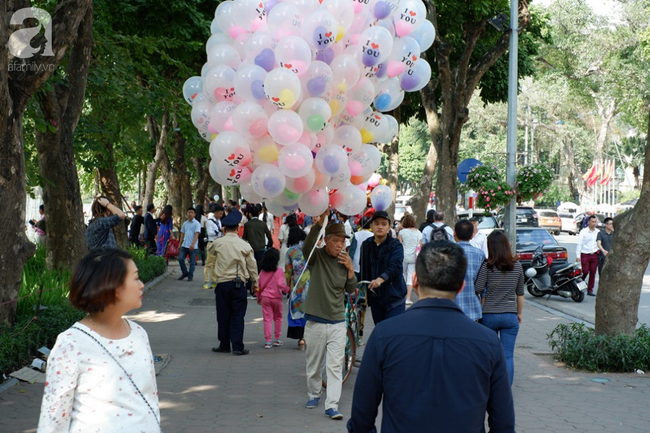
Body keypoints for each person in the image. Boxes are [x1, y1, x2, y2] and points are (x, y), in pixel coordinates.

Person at [346, 241, 514, 433]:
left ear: (415, 281)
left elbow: (361, 418)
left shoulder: (384, 335)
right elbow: (504, 424)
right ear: (460, 287)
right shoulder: (488, 342)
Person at [37, 249, 160, 432]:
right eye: (135, 278)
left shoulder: (139, 333)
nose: (141, 285)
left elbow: (150, 398)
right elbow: (53, 421)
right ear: (114, 287)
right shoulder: (70, 344)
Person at [302, 209, 357, 420]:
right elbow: (307, 246)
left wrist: (351, 270)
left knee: (334, 365)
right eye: (336, 241)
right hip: (316, 320)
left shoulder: (345, 261)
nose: (340, 245)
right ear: (327, 240)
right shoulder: (316, 257)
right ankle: (314, 393)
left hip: (337, 321)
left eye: (343, 241)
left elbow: (351, 289)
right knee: (314, 364)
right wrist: (320, 221)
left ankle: (332, 405)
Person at [475, 230, 524, 385]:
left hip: (488, 315)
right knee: (507, 355)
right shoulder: (517, 266)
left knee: (488, 354)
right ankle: (505, 389)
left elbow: (478, 288)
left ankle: (487, 385)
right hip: (510, 315)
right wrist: (519, 313)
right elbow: (520, 294)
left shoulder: (487, 266)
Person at [211, 209, 259, 356]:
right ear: (238, 228)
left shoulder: (218, 243)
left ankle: (224, 344)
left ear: (224, 228)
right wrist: (255, 284)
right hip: (239, 285)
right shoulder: (244, 245)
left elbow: (211, 252)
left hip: (222, 284)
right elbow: (252, 266)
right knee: (238, 315)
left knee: (223, 315)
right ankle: (237, 347)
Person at [359, 211, 407, 325]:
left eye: (384, 224)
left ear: (389, 227)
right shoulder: (366, 245)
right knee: (380, 333)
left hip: (395, 298)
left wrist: (381, 279)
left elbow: (395, 267)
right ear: (371, 226)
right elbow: (364, 269)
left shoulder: (395, 245)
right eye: (376, 223)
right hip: (376, 299)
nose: (380, 227)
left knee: (392, 335)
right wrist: (360, 288)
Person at [256, 248, 290, 349]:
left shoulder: (262, 272)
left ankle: (267, 341)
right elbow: (280, 284)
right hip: (277, 298)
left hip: (265, 298)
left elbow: (259, 286)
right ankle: (277, 339)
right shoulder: (279, 271)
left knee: (267, 319)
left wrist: (259, 297)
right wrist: (288, 289)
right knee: (278, 318)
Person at [453, 219, 486, 322]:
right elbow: (482, 287)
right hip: (473, 310)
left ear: (454, 233)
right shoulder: (480, 255)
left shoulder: (445, 253)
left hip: (450, 309)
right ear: (472, 235)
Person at [285, 226, 309, 348]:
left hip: (297, 286)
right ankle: (308, 336)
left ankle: (301, 338)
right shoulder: (309, 248)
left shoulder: (290, 252)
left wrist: (287, 286)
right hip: (311, 284)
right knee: (309, 310)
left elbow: (288, 271)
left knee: (297, 310)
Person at [396, 214, 421, 305]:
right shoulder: (418, 232)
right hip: (414, 257)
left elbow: (399, 245)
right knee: (410, 276)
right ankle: (408, 298)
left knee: (402, 274)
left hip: (403, 256)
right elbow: (420, 246)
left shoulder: (402, 232)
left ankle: (401, 295)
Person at [242, 203, 274, 270]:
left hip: (251, 249)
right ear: (259, 213)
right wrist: (270, 243)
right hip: (261, 247)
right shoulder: (262, 223)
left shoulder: (247, 225)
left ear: (250, 214)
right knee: (260, 266)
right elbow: (268, 234)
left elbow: (244, 237)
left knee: (252, 267)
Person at [576, 214, 599, 296]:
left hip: (594, 254)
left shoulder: (598, 232)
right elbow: (579, 244)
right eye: (592, 222)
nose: (594, 223)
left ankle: (590, 290)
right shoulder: (583, 232)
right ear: (588, 222)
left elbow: (599, 243)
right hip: (585, 254)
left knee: (593, 272)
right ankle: (579, 283)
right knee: (585, 271)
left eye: (595, 222)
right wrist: (578, 256)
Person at [177, 207, 202, 282]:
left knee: (192, 262)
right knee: (180, 259)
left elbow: (196, 234)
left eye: (192, 212)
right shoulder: (185, 223)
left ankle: (190, 276)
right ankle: (185, 273)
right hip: (184, 245)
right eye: (189, 212)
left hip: (193, 247)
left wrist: (193, 244)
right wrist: (180, 244)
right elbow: (182, 234)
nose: (190, 214)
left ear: (194, 214)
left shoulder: (197, 223)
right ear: (187, 214)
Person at [203, 204, 224, 290]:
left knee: (216, 263)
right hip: (211, 243)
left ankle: (214, 280)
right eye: (219, 213)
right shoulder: (209, 222)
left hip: (218, 243)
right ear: (215, 213)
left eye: (222, 214)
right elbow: (210, 233)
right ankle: (207, 281)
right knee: (209, 263)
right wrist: (219, 230)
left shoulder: (219, 221)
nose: (221, 215)